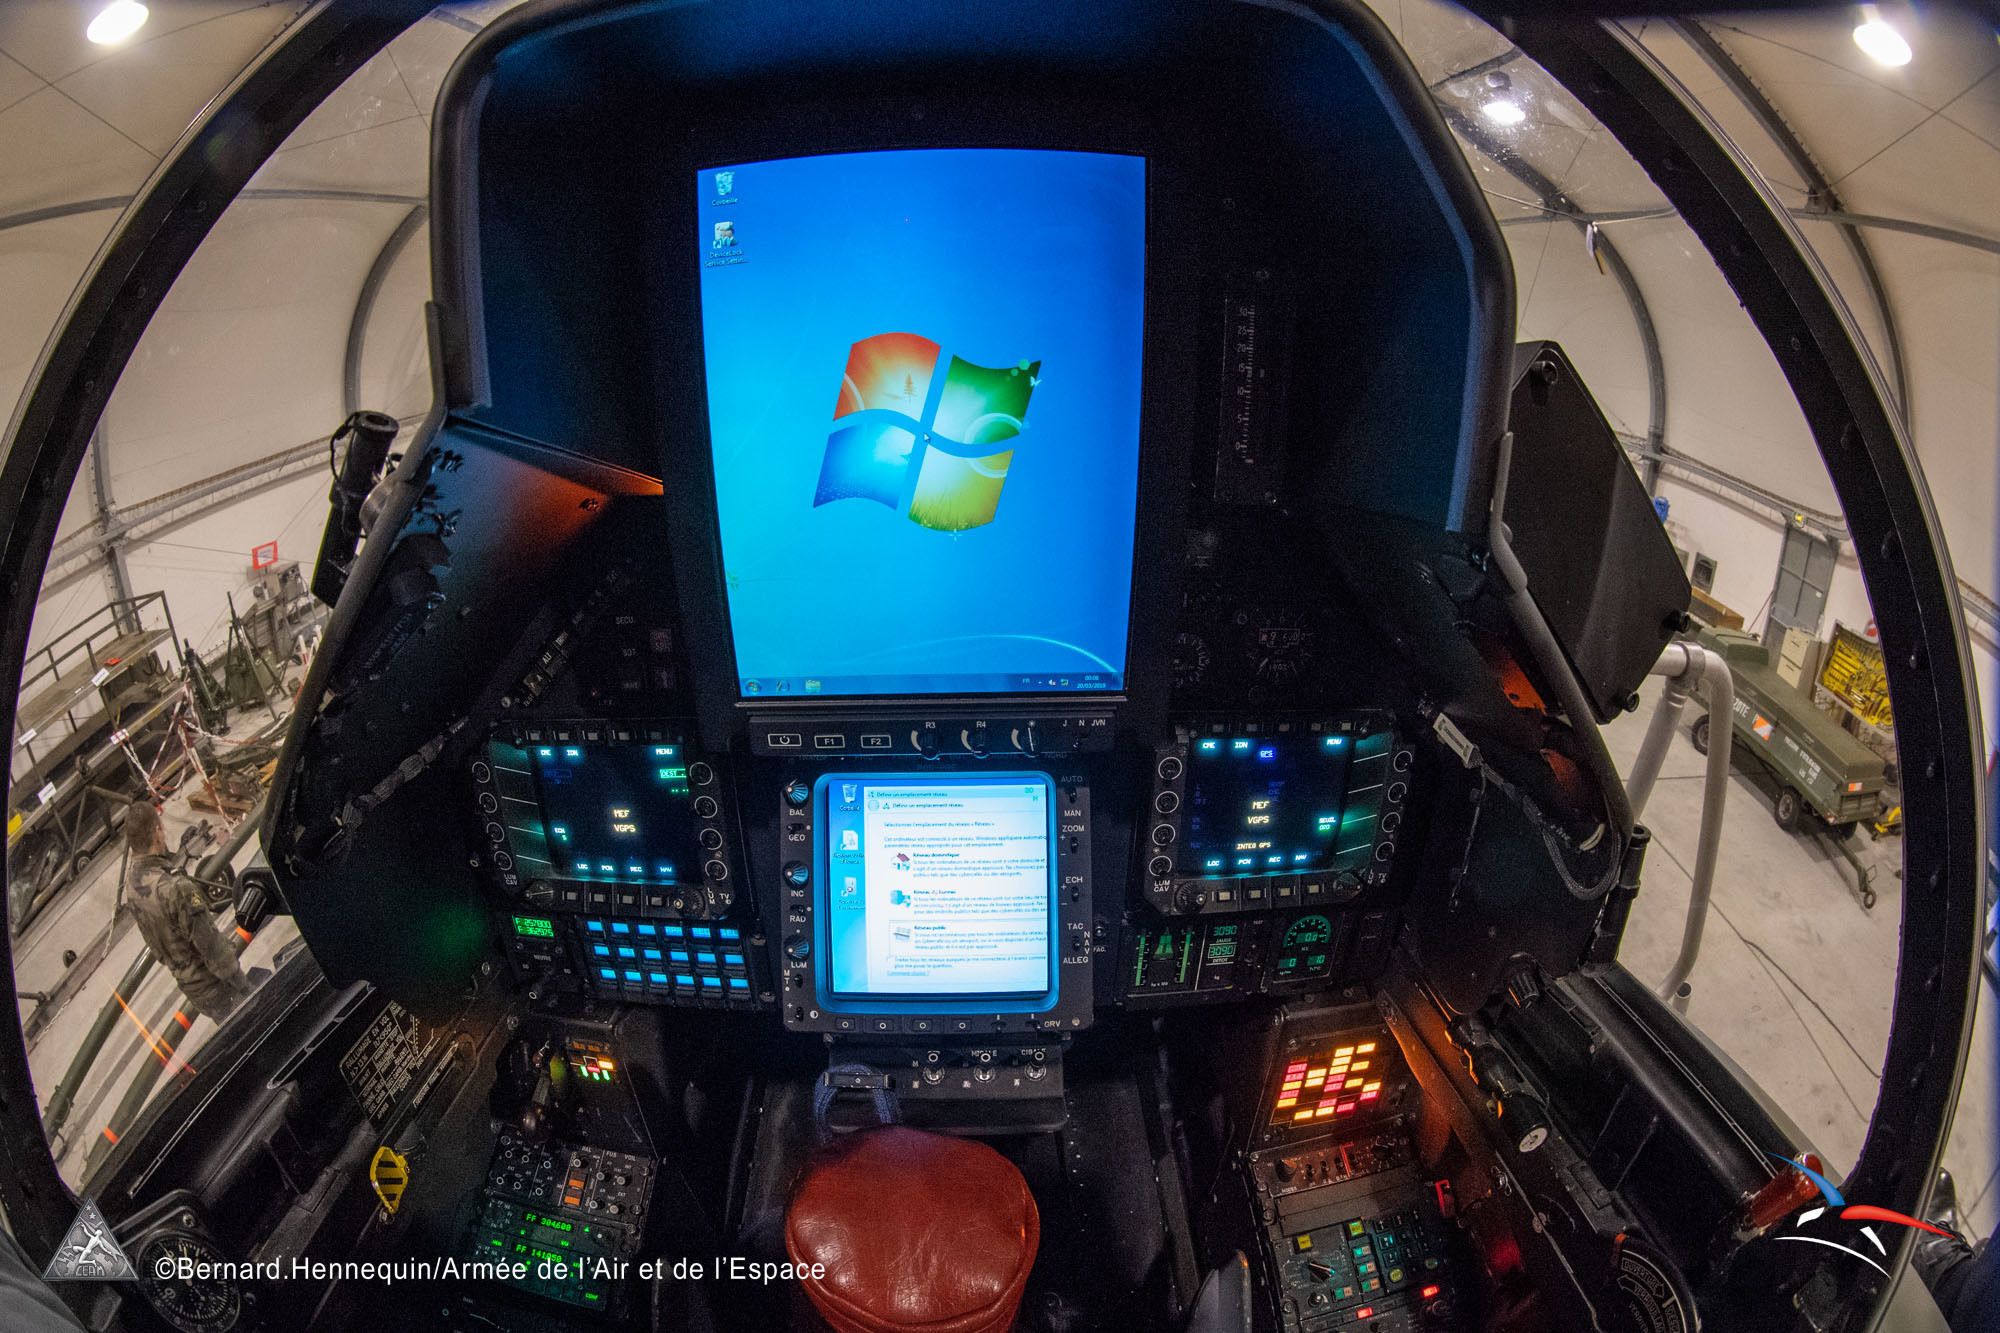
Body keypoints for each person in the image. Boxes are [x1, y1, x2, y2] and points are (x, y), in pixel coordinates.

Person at [121, 802, 253, 1022]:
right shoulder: (176, 888)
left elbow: (157, 947)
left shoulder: (132, 886)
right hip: (218, 988)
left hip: (193, 990)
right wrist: (244, 986)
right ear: (156, 832)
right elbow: (213, 949)